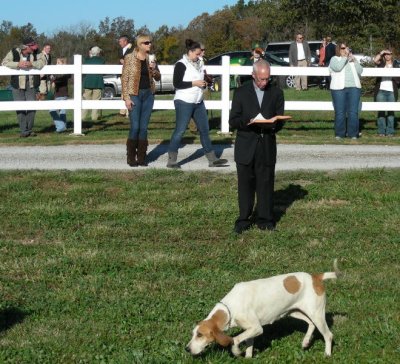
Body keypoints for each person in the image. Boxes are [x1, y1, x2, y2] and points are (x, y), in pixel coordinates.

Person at [229, 59, 284, 234]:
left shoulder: (276, 93)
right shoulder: (241, 92)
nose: (264, 82)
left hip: (266, 145)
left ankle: (265, 220)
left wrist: (273, 123)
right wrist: (249, 122)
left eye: (267, 79)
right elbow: (233, 120)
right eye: (261, 79)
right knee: (245, 185)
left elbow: (280, 118)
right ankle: (243, 220)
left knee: (266, 183)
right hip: (246, 145)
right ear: (253, 75)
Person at [166, 39, 228, 169]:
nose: (199, 56)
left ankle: (212, 159)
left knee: (204, 130)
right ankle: (172, 160)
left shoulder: (200, 63)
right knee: (180, 130)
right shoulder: (181, 64)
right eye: (197, 53)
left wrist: (205, 82)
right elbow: (177, 84)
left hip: (198, 102)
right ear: (190, 52)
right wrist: (194, 83)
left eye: (200, 53)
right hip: (184, 101)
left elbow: (200, 78)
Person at [121, 34, 161, 167]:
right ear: (139, 44)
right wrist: (126, 98)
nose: (149, 45)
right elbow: (124, 79)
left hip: (148, 94)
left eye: (150, 42)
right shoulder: (129, 58)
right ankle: (131, 157)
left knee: (144, 128)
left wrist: (154, 69)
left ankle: (142, 157)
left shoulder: (152, 58)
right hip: (134, 94)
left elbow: (158, 78)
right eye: (146, 43)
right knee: (135, 126)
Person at [2, 37, 46, 137]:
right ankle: (24, 131)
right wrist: (18, 64)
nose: (34, 48)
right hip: (17, 84)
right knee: (20, 107)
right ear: (26, 47)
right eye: (32, 47)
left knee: (32, 107)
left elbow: (43, 62)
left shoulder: (37, 52)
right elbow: (5, 62)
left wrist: (32, 64)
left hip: (32, 83)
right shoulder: (14, 52)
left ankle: (29, 130)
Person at [329, 42, 363, 140]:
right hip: (338, 88)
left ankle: (353, 134)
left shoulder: (351, 60)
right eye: (342, 48)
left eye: (346, 48)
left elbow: (360, 71)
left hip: (354, 88)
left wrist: (354, 60)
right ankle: (340, 134)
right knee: (340, 112)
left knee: (353, 112)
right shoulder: (334, 59)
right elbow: (338, 68)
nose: (345, 50)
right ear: (338, 50)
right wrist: (344, 58)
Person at [373, 49, 400, 137]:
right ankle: (381, 131)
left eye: (389, 54)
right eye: (385, 54)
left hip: (392, 91)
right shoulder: (381, 64)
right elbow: (375, 60)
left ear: (392, 55)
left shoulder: (396, 65)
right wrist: (381, 52)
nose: (387, 56)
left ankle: (390, 132)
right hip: (381, 91)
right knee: (381, 111)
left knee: (391, 112)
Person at [82, 46, 105, 121]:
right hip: (97, 83)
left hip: (88, 83)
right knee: (96, 101)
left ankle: (83, 117)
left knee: (86, 101)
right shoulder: (102, 61)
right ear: (98, 52)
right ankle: (94, 117)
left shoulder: (87, 61)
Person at [49, 58, 71, 133]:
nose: (56, 64)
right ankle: (63, 126)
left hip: (62, 94)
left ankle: (61, 126)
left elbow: (61, 79)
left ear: (63, 63)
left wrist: (53, 80)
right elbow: (52, 78)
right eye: (56, 62)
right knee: (62, 111)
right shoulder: (57, 72)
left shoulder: (66, 72)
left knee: (52, 110)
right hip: (58, 94)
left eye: (58, 62)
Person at [118, 35, 133, 117]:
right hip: (123, 73)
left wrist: (125, 62)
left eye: (120, 41)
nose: (119, 43)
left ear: (125, 41)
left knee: (128, 91)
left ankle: (127, 111)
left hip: (130, 73)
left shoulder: (132, 49)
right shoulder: (121, 50)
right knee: (124, 91)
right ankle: (123, 111)